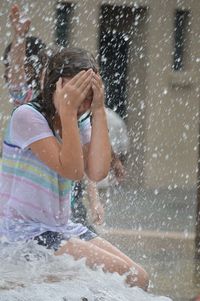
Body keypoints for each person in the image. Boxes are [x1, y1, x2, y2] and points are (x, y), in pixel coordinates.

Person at [0, 46, 149, 290]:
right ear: (54, 87)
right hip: (24, 233)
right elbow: (72, 171)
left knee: (138, 278)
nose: (82, 101)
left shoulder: (80, 120)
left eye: (88, 93)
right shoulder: (27, 116)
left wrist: (98, 110)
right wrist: (68, 112)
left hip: (59, 228)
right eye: (75, 90)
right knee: (123, 275)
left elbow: (98, 172)